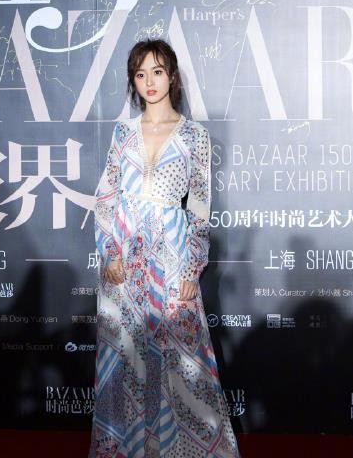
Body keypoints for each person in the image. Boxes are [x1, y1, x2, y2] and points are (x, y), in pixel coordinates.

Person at [89, 39, 240, 457]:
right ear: (133, 81)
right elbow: (106, 197)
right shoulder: (123, 133)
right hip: (125, 259)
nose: (149, 82)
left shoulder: (195, 136)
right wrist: (110, 252)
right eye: (140, 74)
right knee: (126, 357)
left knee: (182, 359)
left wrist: (192, 268)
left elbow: (200, 208)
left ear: (172, 75)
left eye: (157, 71)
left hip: (172, 256)